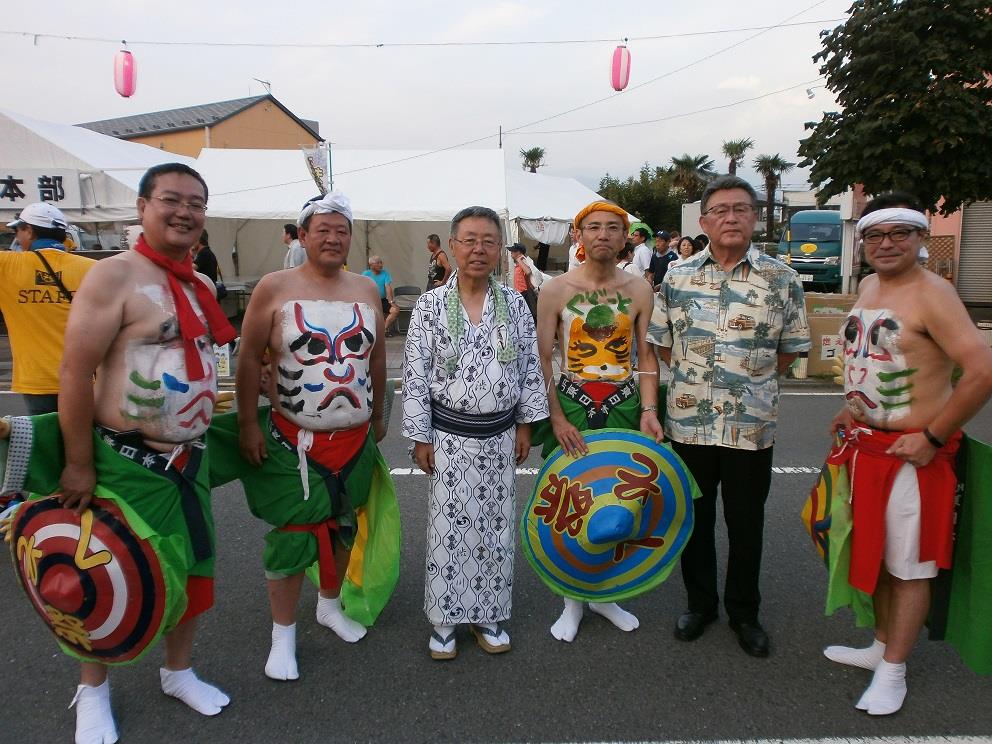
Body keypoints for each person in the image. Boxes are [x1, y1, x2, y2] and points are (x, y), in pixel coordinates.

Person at [54, 162, 237, 742]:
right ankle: (92, 690)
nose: (184, 212)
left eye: (196, 203)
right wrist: (78, 462)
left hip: (189, 458)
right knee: (102, 576)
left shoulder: (199, 286)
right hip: (124, 461)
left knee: (191, 569)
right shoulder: (113, 277)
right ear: (142, 206)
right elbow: (75, 371)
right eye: (171, 200)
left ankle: (177, 671)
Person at [824, 192, 992, 715]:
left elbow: (982, 371)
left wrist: (934, 436)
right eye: (875, 235)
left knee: (909, 566)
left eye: (900, 232)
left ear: (920, 237)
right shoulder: (871, 285)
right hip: (865, 447)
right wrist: (851, 407)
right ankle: (880, 646)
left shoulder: (934, 294)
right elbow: (871, 356)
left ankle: (895, 670)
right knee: (873, 554)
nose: (886, 243)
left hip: (910, 455)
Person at [227, 191, 397, 681]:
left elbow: (378, 359)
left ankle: (329, 604)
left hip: (355, 437)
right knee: (292, 536)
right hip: (293, 439)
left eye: (341, 230)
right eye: (322, 229)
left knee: (345, 524)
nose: (332, 238)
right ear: (302, 236)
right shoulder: (274, 287)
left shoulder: (365, 288)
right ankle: (283, 636)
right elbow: (247, 357)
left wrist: (380, 415)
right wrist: (244, 423)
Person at [652, 175, 810, 658]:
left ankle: (745, 612)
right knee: (694, 520)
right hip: (690, 425)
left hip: (750, 427)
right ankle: (701, 604)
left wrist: (751, 379)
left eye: (741, 208)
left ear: (755, 217)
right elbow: (661, 345)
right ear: (703, 221)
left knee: (746, 525)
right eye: (720, 210)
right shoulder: (677, 277)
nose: (731, 217)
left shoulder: (781, 279)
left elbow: (790, 351)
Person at [402, 206, 548, 660]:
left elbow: (528, 368)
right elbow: (415, 373)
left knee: (495, 526)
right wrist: (420, 437)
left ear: (499, 248)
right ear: (452, 246)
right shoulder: (429, 306)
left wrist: (525, 424)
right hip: (448, 436)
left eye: (488, 240)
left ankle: (488, 612)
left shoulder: (515, 305)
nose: (478, 249)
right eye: (469, 239)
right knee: (448, 528)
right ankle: (444, 619)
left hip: (501, 435)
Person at [533, 200, 663, 642]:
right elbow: (542, 360)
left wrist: (648, 409)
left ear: (625, 236)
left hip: (625, 402)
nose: (603, 234)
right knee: (571, 499)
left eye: (613, 228)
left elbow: (646, 355)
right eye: (593, 228)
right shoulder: (555, 290)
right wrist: (554, 416)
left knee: (621, 499)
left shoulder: (640, 290)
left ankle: (605, 594)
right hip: (572, 404)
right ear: (579, 236)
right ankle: (572, 599)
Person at [1, 203, 95, 415]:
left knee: (47, 442)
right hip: (87, 378)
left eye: (18, 230)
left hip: (38, 381)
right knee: (87, 442)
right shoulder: (92, 268)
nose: (16, 237)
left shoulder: (6, 266)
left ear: (29, 231)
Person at [363, 254, 401, 336]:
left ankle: (382, 330)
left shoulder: (385, 273)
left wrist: (391, 302)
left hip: (382, 300)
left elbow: (388, 287)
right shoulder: (365, 274)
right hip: (370, 301)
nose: (381, 265)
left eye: (381, 262)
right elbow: (361, 288)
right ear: (371, 265)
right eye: (378, 263)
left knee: (395, 310)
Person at [508, 242, 539, 318]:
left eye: (513, 251)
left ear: (518, 252)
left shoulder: (522, 260)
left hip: (525, 292)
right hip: (520, 292)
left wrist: (519, 260)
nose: (511, 253)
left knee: (529, 314)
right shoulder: (519, 262)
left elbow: (528, 272)